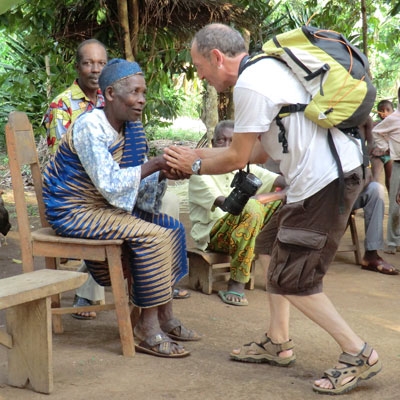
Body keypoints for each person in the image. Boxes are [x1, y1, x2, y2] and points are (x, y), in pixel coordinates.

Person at [164, 23, 381, 394]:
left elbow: (236, 157)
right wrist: (195, 154)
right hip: (316, 180)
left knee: (293, 280)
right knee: (267, 243)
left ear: (217, 57)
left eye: (200, 67)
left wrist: (193, 164)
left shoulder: (252, 83)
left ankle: (358, 353)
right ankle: (278, 341)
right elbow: (259, 151)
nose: (200, 76)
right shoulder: (269, 70)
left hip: (325, 182)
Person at [42, 58, 200, 358]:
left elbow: (130, 185)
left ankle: (165, 317)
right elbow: (112, 184)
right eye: (135, 92)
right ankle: (146, 328)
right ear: (111, 94)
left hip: (102, 208)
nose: (141, 99)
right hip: (73, 211)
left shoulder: (128, 128)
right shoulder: (90, 126)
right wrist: (154, 164)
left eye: (144, 93)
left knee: (173, 229)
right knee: (155, 237)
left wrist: (162, 173)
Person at [43, 38, 108, 319]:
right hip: (73, 191)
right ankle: (89, 290)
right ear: (77, 67)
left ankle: (157, 285)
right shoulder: (63, 105)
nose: (95, 70)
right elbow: (65, 159)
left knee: (156, 201)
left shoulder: (110, 99)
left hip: (103, 183)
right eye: (88, 63)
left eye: (101, 63)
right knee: (123, 210)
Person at [189, 120, 286, 305]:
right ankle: (236, 283)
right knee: (252, 206)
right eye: (220, 141)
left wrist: (284, 191)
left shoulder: (247, 168)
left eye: (232, 142)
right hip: (214, 235)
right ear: (212, 142)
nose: (225, 147)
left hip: (245, 228)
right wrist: (258, 201)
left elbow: (285, 182)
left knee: (286, 202)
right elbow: (228, 206)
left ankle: (275, 272)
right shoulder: (200, 172)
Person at [372, 89, 400, 255]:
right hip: (398, 164)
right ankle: (391, 241)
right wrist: (386, 148)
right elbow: (376, 132)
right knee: (396, 204)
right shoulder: (393, 119)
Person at [369, 100, 394, 193]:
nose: (384, 113)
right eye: (381, 110)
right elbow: (370, 140)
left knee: (390, 180)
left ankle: (393, 204)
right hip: (377, 155)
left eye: (388, 110)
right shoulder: (374, 125)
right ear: (377, 111)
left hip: (390, 155)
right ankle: (374, 201)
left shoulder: (395, 124)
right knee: (374, 179)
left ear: (393, 111)